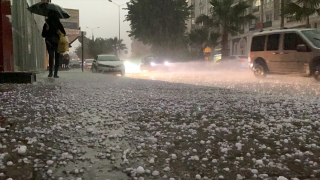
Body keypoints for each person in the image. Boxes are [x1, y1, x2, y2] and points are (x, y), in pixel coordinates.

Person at [42, 10, 66, 78]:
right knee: (52, 56)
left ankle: (54, 73)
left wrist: (59, 32)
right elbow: (43, 34)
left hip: (57, 42)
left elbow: (64, 33)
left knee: (54, 57)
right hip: (50, 42)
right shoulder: (47, 24)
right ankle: (52, 73)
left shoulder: (58, 24)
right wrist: (46, 30)